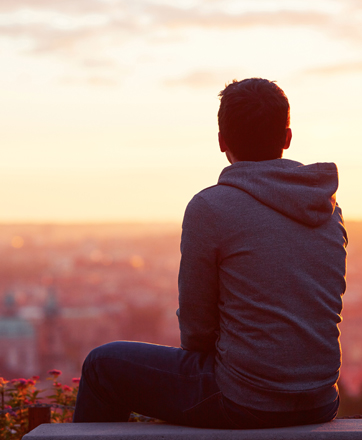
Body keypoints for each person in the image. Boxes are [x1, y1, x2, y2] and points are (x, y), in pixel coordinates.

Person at [73, 78, 347, 429]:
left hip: (245, 401)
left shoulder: (211, 207)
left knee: (101, 365)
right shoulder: (327, 207)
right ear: (287, 137)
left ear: (221, 142)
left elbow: (197, 328)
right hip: (321, 401)